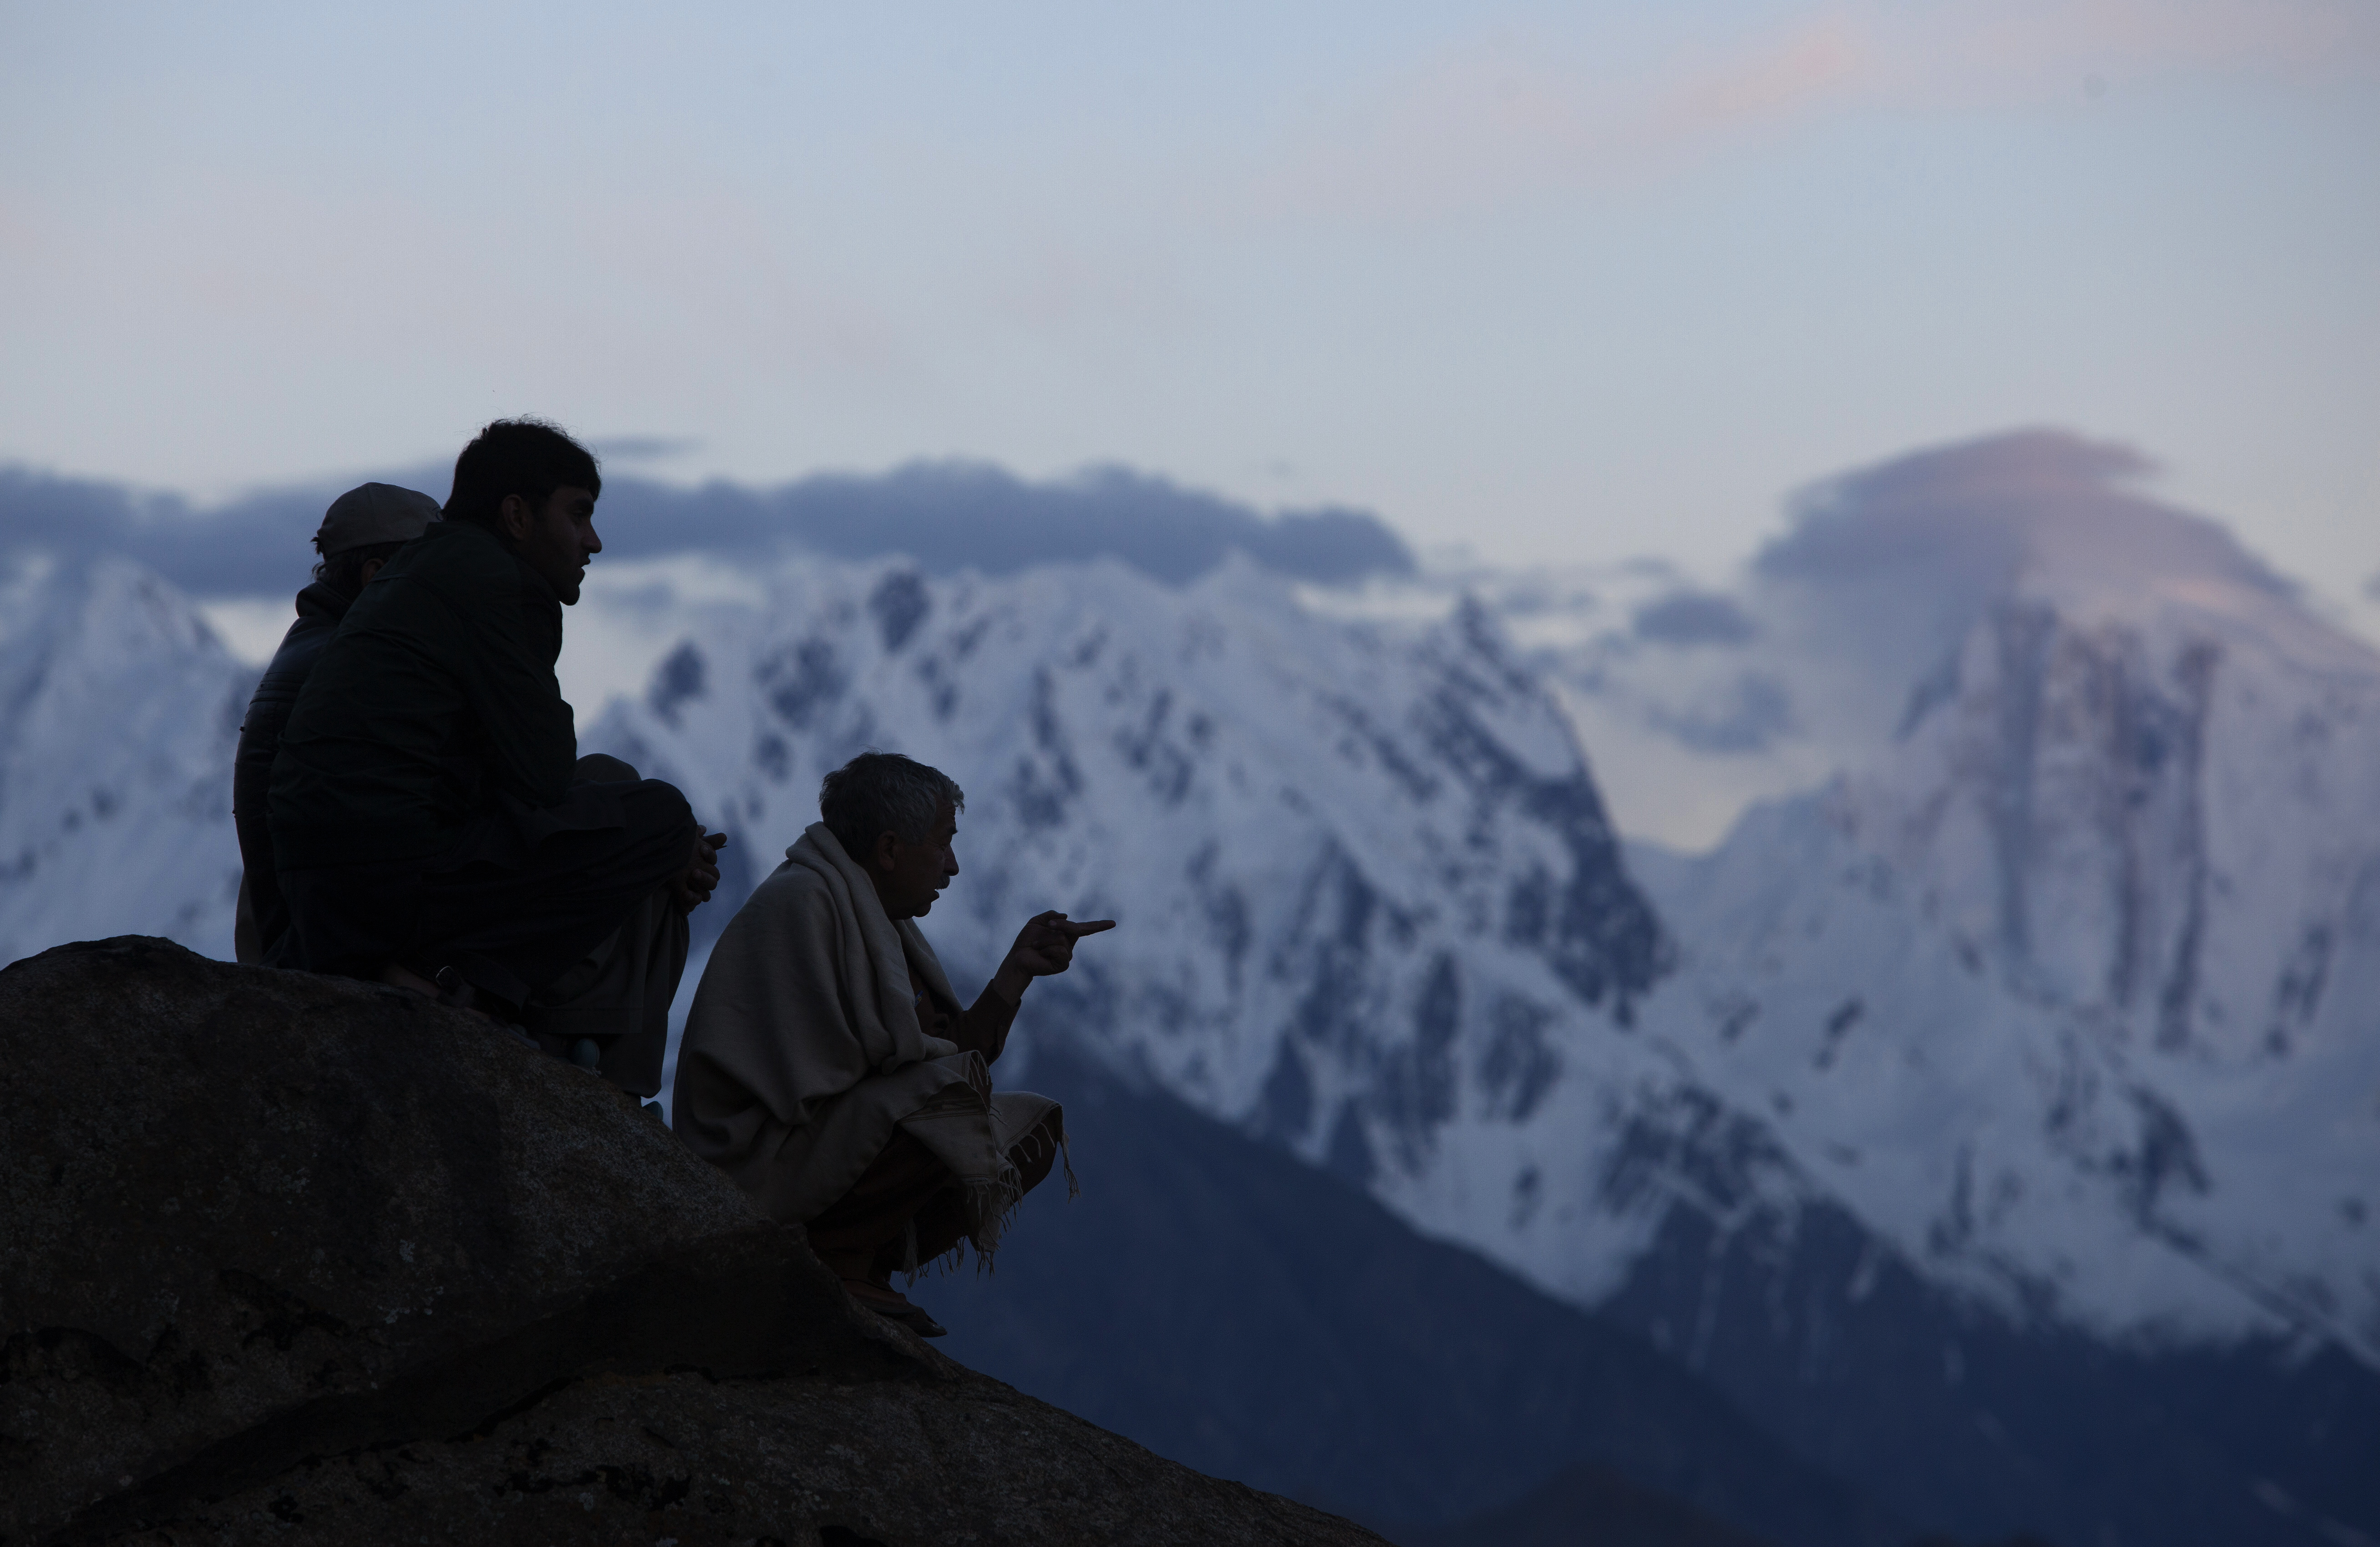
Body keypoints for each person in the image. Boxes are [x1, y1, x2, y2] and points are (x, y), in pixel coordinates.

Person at [269, 418, 727, 1096]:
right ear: (517, 514)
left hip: (329, 898)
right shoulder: (501, 586)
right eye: (578, 515)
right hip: (389, 888)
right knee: (659, 817)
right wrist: (678, 843)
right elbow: (541, 775)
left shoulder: (425, 571)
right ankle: (496, 1008)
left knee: (610, 787)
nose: (593, 542)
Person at [673, 751, 1111, 1336]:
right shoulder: (805, 902)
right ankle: (835, 1253)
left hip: (834, 1132)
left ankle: (870, 1260)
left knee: (1033, 1131)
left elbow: (936, 1054)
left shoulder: (878, 914)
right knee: (950, 1100)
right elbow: (887, 1063)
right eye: (942, 843)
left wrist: (1017, 971)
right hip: (760, 1157)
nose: (952, 866)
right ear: (888, 850)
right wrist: (942, 1066)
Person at [232, 482, 439, 966]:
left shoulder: (308, 648)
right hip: (340, 959)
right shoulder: (360, 669)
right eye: (438, 574)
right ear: (377, 578)